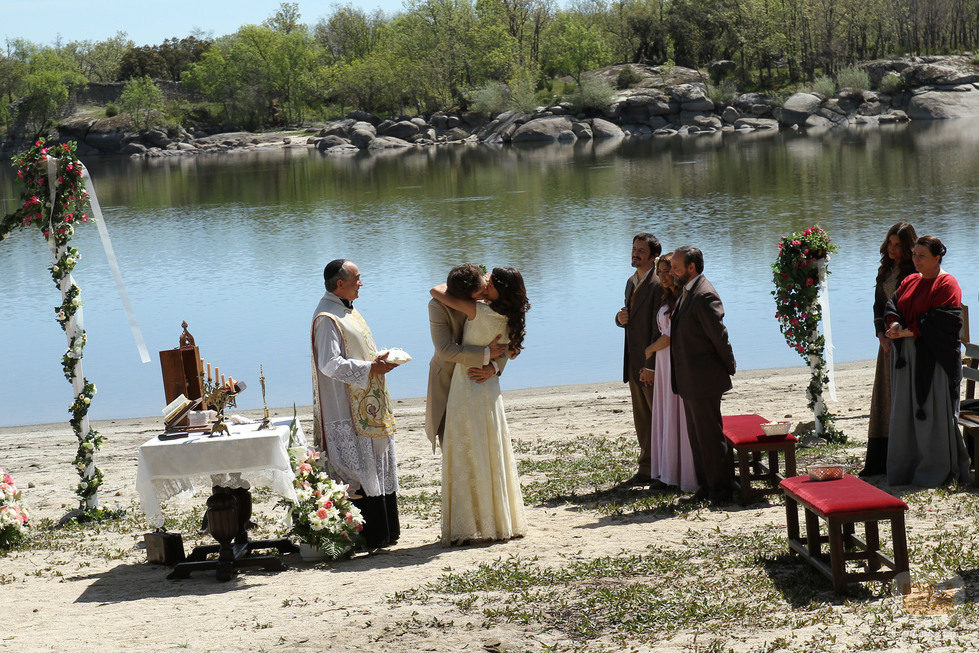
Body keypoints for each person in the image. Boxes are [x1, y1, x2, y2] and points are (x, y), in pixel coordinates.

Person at [430, 267, 529, 545]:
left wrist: (471, 282)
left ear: (501, 290)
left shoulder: (477, 309)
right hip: (488, 388)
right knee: (492, 448)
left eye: (491, 283)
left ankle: (471, 523)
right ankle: (499, 520)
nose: (487, 284)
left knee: (465, 449)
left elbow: (436, 289)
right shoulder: (509, 315)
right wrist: (494, 365)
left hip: (467, 385)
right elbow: (511, 349)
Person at [312, 259, 402, 549]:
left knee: (376, 462)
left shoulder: (346, 310)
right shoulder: (327, 317)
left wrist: (380, 360)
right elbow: (328, 364)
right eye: (357, 278)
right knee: (359, 466)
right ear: (340, 284)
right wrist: (368, 369)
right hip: (346, 405)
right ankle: (367, 535)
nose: (361, 283)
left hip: (368, 399)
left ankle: (386, 532)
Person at [884, 236, 969, 487]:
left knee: (931, 414)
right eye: (914, 255)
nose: (915, 260)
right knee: (905, 414)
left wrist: (908, 332)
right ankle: (907, 469)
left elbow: (946, 323)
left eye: (922, 255)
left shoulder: (947, 283)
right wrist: (895, 324)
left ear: (937, 257)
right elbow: (893, 305)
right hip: (906, 359)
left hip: (934, 359)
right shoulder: (910, 280)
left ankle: (936, 469)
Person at [669, 246, 737, 503]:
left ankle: (721, 490)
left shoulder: (704, 294)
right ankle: (706, 487)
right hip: (689, 378)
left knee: (709, 436)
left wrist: (728, 365)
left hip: (704, 377)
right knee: (697, 437)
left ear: (691, 268)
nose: (672, 272)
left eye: (676, 267)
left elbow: (718, 335)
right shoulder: (687, 292)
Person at [425, 264, 509, 452]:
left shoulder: (490, 298)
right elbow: (445, 350)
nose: (485, 293)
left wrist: (494, 367)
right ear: (462, 297)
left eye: (485, 286)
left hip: (480, 379)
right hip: (446, 376)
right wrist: (485, 354)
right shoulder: (438, 305)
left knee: (484, 441)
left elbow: (506, 340)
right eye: (480, 292)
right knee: (451, 441)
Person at [861, 221, 918, 476]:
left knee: (904, 395)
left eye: (898, 245)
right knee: (884, 397)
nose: (893, 249)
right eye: (890, 244)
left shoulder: (915, 271)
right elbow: (878, 306)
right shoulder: (885, 269)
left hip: (908, 342)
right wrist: (881, 336)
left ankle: (907, 456)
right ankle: (882, 459)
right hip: (887, 344)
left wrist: (896, 334)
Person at [645, 254, 697, 492]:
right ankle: (667, 470)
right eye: (660, 272)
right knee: (666, 410)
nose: (663, 277)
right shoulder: (667, 296)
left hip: (674, 360)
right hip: (664, 362)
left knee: (676, 411)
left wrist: (649, 349)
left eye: (668, 271)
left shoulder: (682, 298)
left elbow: (670, 335)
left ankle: (681, 473)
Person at [615, 233, 664, 486]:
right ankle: (646, 468)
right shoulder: (631, 281)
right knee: (642, 418)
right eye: (634, 249)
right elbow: (629, 318)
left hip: (649, 364)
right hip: (633, 361)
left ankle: (661, 470)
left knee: (657, 417)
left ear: (653, 256)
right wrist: (619, 318)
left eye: (641, 251)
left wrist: (651, 366)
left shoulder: (658, 284)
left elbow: (659, 329)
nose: (635, 254)